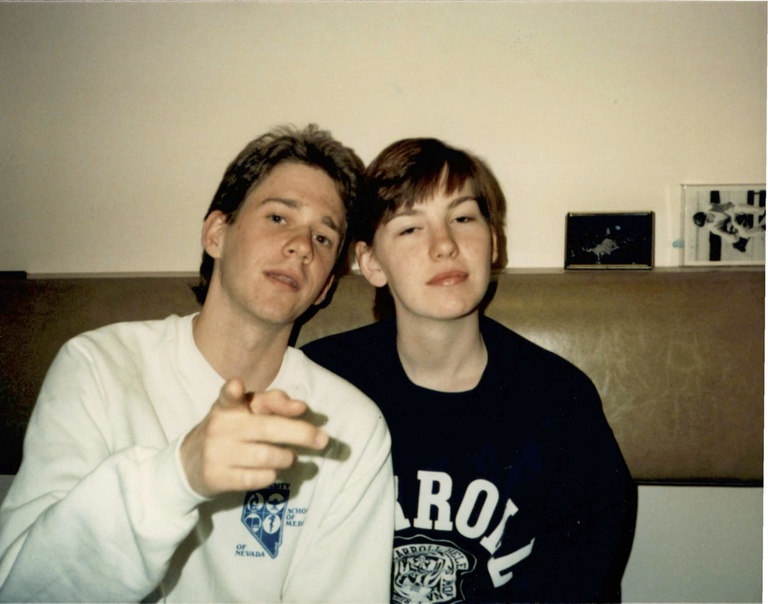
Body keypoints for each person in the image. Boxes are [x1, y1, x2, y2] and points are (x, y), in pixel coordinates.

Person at [0, 124, 395, 603]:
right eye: (278, 217)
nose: (301, 246)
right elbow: (22, 591)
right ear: (216, 234)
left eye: (323, 237)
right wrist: (178, 475)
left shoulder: (351, 428)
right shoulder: (99, 369)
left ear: (326, 287)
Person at [303, 137, 637, 603]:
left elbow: (583, 579)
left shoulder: (560, 400)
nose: (445, 245)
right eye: (410, 228)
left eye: (462, 219)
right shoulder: (320, 384)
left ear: (493, 243)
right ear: (372, 263)